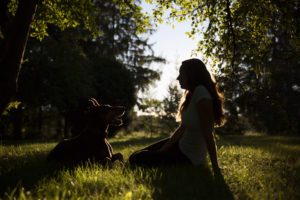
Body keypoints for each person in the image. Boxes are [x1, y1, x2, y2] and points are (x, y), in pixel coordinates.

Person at [129, 58, 226, 174]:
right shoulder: (192, 94)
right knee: (135, 155)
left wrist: (215, 167)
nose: (178, 78)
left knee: (136, 159)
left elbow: (208, 134)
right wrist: (161, 152)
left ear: (191, 75)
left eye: (181, 74)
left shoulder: (201, 94)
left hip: (190, 157)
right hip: (180, 146)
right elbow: (182, 129)